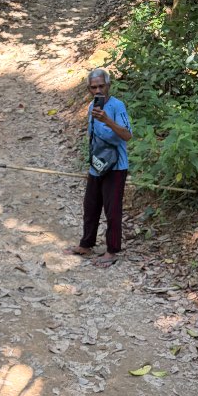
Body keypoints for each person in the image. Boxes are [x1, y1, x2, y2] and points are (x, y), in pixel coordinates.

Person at [67, 68, 132, 268]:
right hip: (97, 164)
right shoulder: (91, 107)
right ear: (89, 89)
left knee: (112, 210)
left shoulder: (117, 106)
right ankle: (86, 244)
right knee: (91, 205)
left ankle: (112, 250)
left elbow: (127, 135)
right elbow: (92, 136)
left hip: (116, 166)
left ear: (108, 85)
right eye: (93, 87)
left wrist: (107, 120)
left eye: (101, 86)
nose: (98, 91)